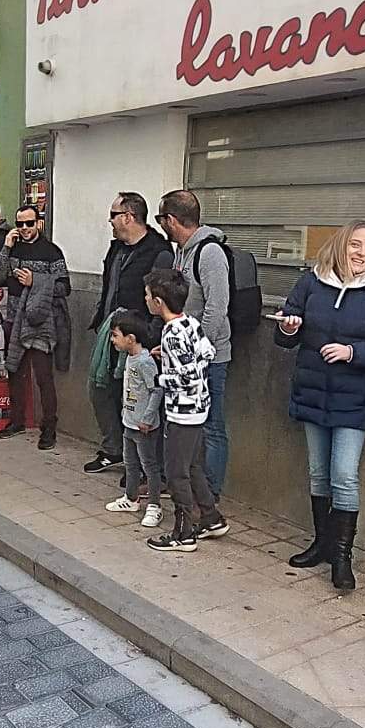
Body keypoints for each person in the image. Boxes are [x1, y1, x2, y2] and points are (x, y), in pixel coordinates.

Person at [274, 220, 365, 593]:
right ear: (341, 244)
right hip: (313, 391)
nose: (362, 253)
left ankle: (343, 557)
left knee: (343, 476)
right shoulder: (311, 282)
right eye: (355, 244)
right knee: (318, 473)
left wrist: (353, 352)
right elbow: (285, 335)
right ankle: (322, 544)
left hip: (354, 398)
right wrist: (288, 328)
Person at [85, 193, 171, 475]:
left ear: (128, 217)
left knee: (135, 400)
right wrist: (102, 320)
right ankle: (113, 449)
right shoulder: (117, 249)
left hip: (139, 340)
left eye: (113, 214)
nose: (109, 220)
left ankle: (143, 465)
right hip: (111, 334)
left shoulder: (158, 252)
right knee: (100, 390)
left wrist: (151, 335)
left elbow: (162, 299)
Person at [157, 190, 235, 496]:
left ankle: (210, 496)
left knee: (212, 426)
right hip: (184, 358)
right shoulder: (182, 251)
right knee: (186, 426)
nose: (161, 225)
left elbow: (217, 306)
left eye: (161, 219)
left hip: (209, 358)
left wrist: (195, 350)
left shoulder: (209, 252)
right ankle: (189, 488)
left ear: (171, 220)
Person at [145, 268, 228, 552]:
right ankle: (211, 517)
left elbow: (186, 376)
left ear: (158, 302)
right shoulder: (189, 322)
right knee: (192, 466)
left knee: (176, 472)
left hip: (182, 412)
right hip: (200, 407)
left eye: (148, 296)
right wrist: (171, 358)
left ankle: (183, 532)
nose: (146, 300)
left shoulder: (171, 333)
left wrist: (160, 378)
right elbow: (207, 352)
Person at [0, 204, 70, 449]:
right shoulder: (13, 248)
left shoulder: (51, 252)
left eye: (29, 223)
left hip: (40, 322)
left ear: (38, 224)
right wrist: (6, 246)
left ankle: (49, 428)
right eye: (20, 224)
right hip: (13, 318)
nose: (24, 228)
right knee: (15, 371)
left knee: (43, 377)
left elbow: (64, 287)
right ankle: (17, 421)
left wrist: (36, 280)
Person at [102, 312, 165, 529]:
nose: (112, 340)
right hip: (129, 422)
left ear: (130, 338)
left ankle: (154, 505)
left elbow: (156, 390)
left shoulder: (145, 362)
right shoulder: (130, 358)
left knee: (149, 466)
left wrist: (147, 418)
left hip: (143, 426)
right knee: (130, 463)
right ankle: (131, 498)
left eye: (115, 335)